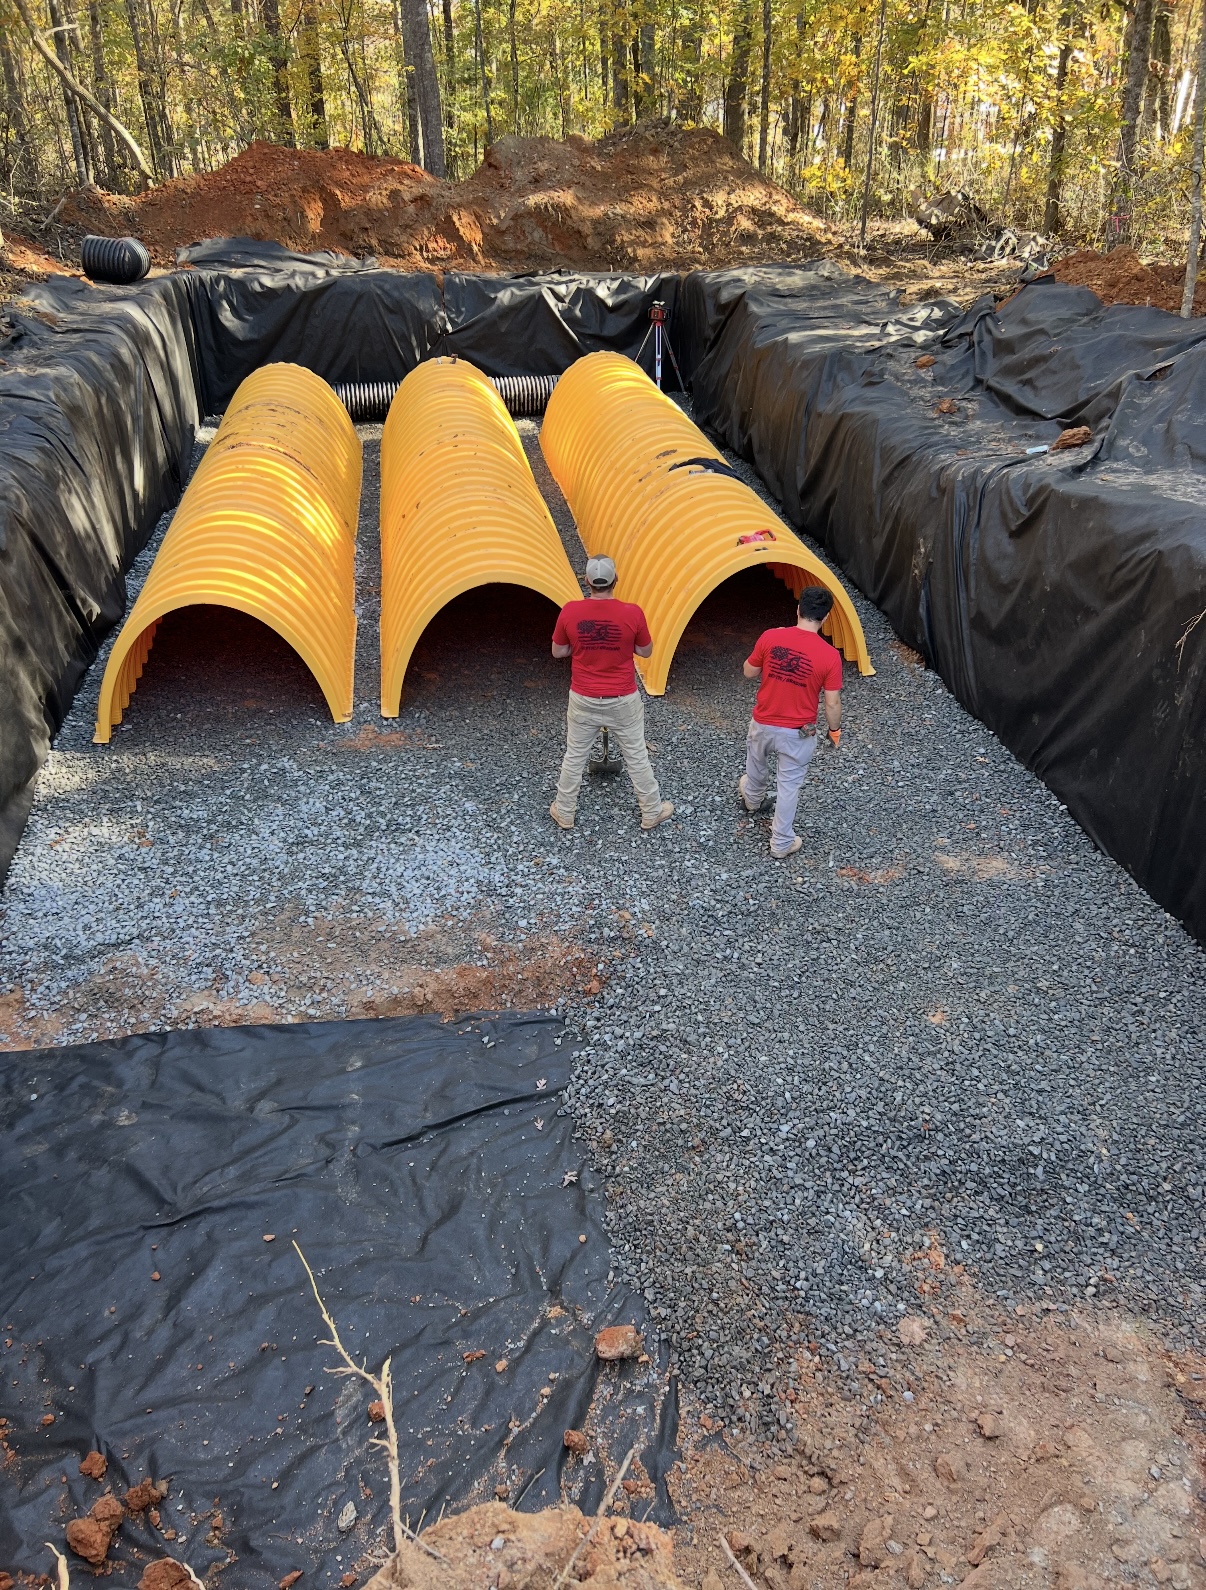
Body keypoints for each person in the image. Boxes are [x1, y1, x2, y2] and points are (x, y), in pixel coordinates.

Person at [549, 555, 674, 832]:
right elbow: (645, 651)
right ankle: (651, 811)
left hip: (583, 697)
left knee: (575, 755)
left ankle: (565, 812)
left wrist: (580, 648)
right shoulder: (632, 613)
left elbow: (558, 651)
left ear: (587, 582)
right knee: (636, 755)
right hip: (623, 699)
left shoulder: (570, 611)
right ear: (615, 580)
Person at [740, 584, 843, 859]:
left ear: (798, 610)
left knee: (756, 762)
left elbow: (749, 672)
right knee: (789, 786)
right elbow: (832, 703)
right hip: (798, 732)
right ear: (826, 618)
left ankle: (752, 798)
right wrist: (835, 730)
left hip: (763, 721)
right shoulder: (830, 656)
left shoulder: (771, 637)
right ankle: (781, 842)